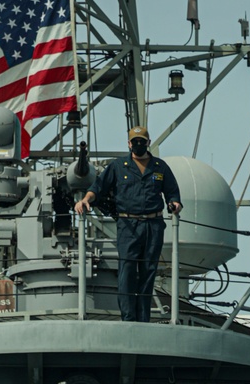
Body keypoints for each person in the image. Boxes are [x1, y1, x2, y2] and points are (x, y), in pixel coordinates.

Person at [74, 129, 183, 323]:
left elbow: (173, 192)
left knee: (148, 271)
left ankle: (143, 319)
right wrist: (84, 200)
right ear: (129, 143)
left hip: (153, 225)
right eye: (135, 141)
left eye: (142, 141)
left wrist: (175, 204)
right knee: (127, 271)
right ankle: (128, 318)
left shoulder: (160, 167)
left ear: (148, 142)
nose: (138, 144)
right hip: (128, 225)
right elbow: (98, 188)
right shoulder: (118, 166)